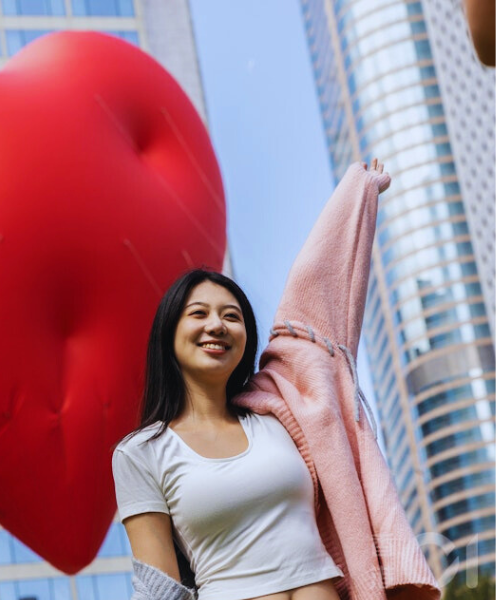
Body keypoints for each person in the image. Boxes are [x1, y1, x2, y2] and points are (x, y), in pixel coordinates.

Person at [112, 159, 410, 600]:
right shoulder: (142, 452)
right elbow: (159, 585)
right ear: (168, 336)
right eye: (199, 314)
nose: (217, 325)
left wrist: (358, 195)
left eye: (231, 316)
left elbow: (315, 300)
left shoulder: (282, 410)